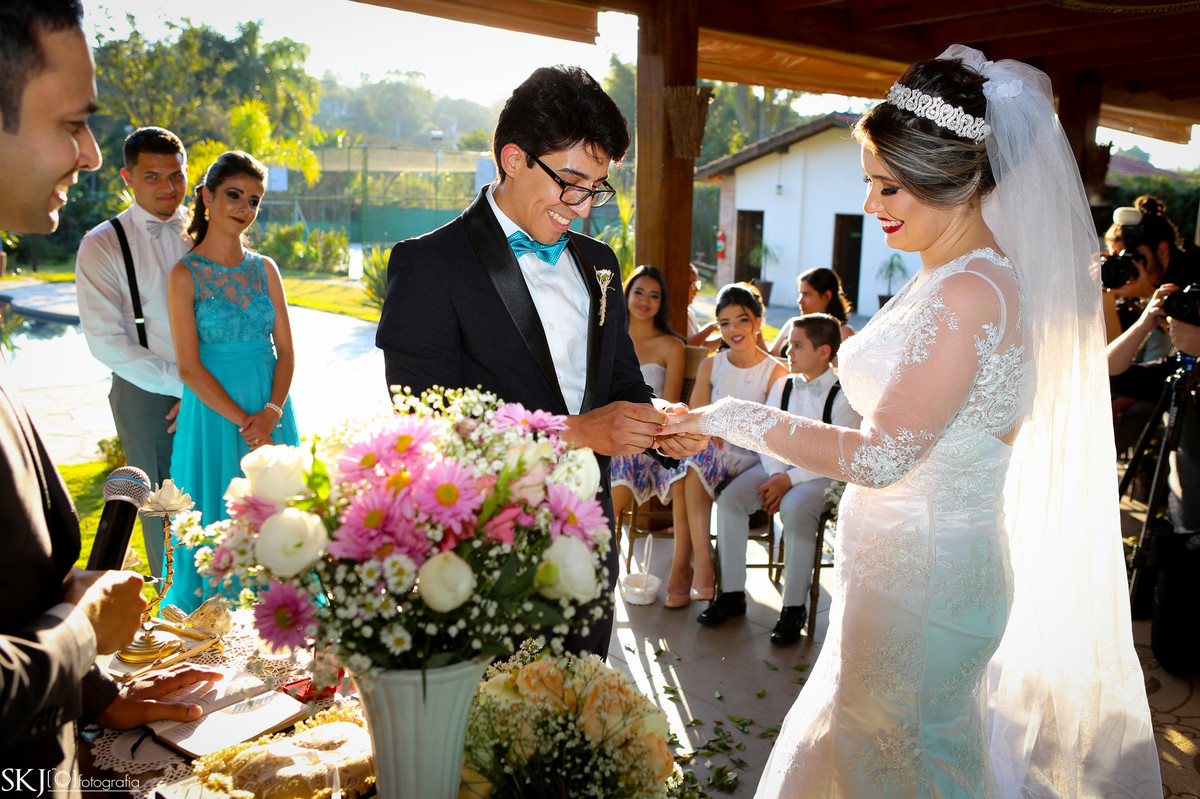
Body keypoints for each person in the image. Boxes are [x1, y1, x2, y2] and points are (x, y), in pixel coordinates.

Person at [666, 46, 1159, 796]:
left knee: (898, 766)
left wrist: (731, 414)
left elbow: (880, 454)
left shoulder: (969, 293)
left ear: (955, 183)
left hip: (926, 583)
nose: (872, 206)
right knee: (881, 756)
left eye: (888, 186)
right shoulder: (955, 271)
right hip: (906, 568)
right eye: (870, 182)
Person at [374, 65, 703, 658]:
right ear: (513, 158)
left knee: (579, 706)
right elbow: (425, 428)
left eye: (597, 188)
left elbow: (621, 379)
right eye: (570, 182)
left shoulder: (601, 262)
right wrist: (576, 433)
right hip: (484, 541)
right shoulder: (429, 265)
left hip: (588, 528)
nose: (581, 207)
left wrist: (657, 421)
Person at [0, 0, 218, 779]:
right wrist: (87, 627)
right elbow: (111, 342)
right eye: (72, 123)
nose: (90, 155)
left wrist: (95, 694)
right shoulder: (102, 246)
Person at [162, 150, 300, 613]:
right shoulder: (184, 275)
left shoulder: (266, 269)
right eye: (234, 195)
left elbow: (287, 352)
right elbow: (188, 367)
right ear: (206, 197)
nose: (245, 208)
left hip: (271, 410)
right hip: (215, 418)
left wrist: (271, 413)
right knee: (216, 527)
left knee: (276, 525)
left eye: (255, 200)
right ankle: (210, 629)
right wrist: (247, 422)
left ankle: (281, 627)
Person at [702, 314, 860, 643]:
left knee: (796, 509)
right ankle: (731, 593)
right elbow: (764, 436)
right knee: (730, 501)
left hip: (822, 473)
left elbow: (837, 455)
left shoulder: (844, 395)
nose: (787, 350)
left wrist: (789, 480)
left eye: (797, 345)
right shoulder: (783, 384)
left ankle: (793, 608)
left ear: (823, 351)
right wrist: (776, 474)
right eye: (789, 342)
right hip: (778, 466)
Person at [76, 127, 191, 578]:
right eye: (152, 177)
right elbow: (106, 342)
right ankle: (170, 620)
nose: (168, 188)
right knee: (163, 515)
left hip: (218, 388)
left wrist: (209, 387)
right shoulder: (102, 243)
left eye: (176, 175)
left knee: (226, 497)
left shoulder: (207, 229)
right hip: (148, 396)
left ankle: (229, 616)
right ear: (127, 177)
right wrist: (187, 386)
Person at [665, 283, 786, 608]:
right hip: (711, 455)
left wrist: (723, 429)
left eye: (742, 320)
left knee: (690, 464)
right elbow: (694, 419)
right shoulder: (711, 365)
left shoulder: (775, 371)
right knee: (692, 460)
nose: (734, 329)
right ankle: (700, 564)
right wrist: (709, 430)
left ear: (758, 321)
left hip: (755, 460)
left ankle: (690, 565)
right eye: (725, 323)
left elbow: (774, 432)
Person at [1109, 285, 1200, 675]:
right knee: (1173, 657)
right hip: (1186, 526)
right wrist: (1147, 322)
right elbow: (1111, 371)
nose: (1180, 322)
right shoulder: (1179, 369)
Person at [609, 265, 686, 519]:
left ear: (662, 303)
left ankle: (599, 540)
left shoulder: (672, 346)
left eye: (654, 295)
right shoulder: (608, 337)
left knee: (620, 460)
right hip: (606, 428)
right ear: (627, 294)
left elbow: (670, 408)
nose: (645, 301)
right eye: (639, 292)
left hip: (648, 440)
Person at [768, 267, 855, 359]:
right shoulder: (792, 324)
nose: (800, 301)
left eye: (807, 294)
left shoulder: (843, 332)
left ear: (827, 296)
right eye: (800, 294)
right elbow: (770, 359)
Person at [685, 263, 720, 351]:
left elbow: (702, 346)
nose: (697, 290)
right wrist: (711, 328)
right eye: (692, 284)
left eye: (696, 284)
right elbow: (688, 346)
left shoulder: (689, 313)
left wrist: (727, 337)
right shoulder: (674, 315)